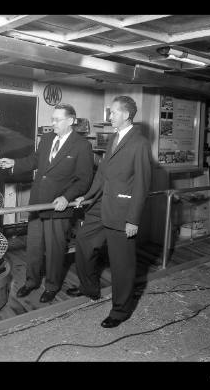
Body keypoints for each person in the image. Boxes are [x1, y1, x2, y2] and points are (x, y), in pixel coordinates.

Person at [68, 96, 152, 328]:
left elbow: (142, 184)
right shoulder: (115, 137)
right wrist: (86, 198)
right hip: (100, 206)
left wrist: (133, 219)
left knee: (121, 264)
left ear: (125, 115)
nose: (110, 116)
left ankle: (120, 310)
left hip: (122, 212)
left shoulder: (140, 143)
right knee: (84, 243)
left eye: (113, 112)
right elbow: (102, 174)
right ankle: (89, 287)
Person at [0, 104, 94, 303]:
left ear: (71, 121)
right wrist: (15, 163)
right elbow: (34, 160)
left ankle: (51, 286)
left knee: (54, 250)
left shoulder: (82, 145)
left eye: (57, 120)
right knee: (33, 247)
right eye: (52, 119)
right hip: (38, 203)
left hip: (58, 206)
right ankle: (31, 282)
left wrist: (66, 198)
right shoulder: (47, 139)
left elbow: (84, 179)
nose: (53, 123)